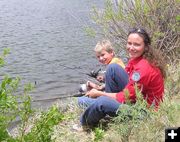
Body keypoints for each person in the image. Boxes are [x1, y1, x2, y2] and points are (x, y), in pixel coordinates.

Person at [79, 28, 166, 128]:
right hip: (136, 100)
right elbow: (130, 83)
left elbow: (126, 96)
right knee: (112, 68)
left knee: (95, 101)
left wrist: (100, 93)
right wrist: (102, 88)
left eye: (136, 44)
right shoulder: (137, 59)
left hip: (145, 113)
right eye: (129, 43)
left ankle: (84, 125)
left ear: (146, 47)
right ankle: (108, 110)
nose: (131, 47)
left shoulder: (143, 68)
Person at [78, 39, 129, 108]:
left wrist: (98, 93)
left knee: (80, 100)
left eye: (103, 55)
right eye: (98, 57)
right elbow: (116, 81)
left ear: (111, 52)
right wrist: (102, 85)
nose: (101, 58)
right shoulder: (117, 61)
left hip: (116, 100)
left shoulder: (113, 65)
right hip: (118, 95)